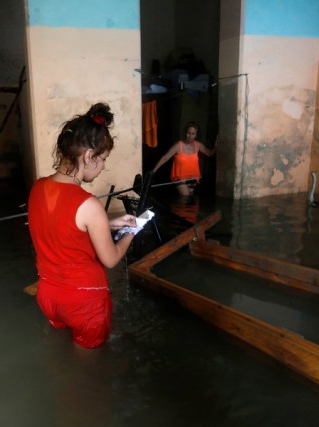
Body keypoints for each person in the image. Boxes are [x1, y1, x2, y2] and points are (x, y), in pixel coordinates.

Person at [27, 102, 143, 349]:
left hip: (48, 296)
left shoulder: (38, 187)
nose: (102, 167)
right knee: (89, 377)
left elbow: (61, 227)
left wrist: (108, 224)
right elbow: (110, 260)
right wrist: (131, 231)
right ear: (89, 156)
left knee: (58, 353)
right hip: (84, 302)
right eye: (103, 159)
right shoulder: (89, 204)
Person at [151, 122, 217, 196]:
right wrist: (153, 172)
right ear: (185, 133)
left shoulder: (198, 145)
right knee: (185, 197)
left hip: (193, 179)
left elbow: (209, 153)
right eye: (188, 133)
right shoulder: (178, 145)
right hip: (180, 178)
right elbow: (165, 158)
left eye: (193, 134)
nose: (190, 136)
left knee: (189, 201)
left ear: (196, 135)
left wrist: (216, 146)